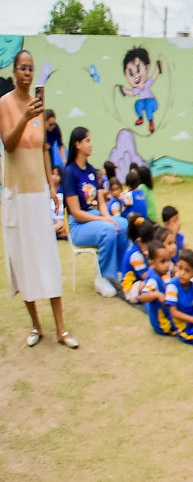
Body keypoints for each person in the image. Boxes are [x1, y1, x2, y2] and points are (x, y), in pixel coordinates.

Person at [2, 49, 72, 346]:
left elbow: (44, 149)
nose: (27, 72)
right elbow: (8, 143)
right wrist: (24, 118)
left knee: (48, 260)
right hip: (15, 194)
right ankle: (36, 326)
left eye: (31, 67)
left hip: (38, 193)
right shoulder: (4, 104)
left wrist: (53, 189)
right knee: (21, 260)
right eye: (23, 67)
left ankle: (61, 330)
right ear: (15, 71)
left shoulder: (40, 109)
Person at [59, 127, 123, 299]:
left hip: (95, 217)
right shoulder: (70, 173)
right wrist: (103, 220)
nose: (91, 144)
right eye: (87, 140)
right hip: (79, 225)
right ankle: (101, 278)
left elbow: (101, 201)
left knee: (122, 224)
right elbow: (76, 212)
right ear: (77, 144)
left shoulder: (91, 170)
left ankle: (117, 272)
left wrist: (108, 217)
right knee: (107, 230)